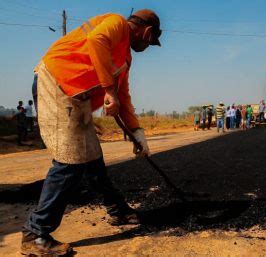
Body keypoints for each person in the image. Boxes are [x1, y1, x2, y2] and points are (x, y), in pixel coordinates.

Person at [21, 9, 161, 255]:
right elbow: (96, 41)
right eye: (151, 41)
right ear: (147, 32)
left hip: (77, 97)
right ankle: (35, 234)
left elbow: (123, 97)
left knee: (93, 160)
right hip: (57, 83)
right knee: (69, 162)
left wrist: (137, 131)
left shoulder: (124, 58)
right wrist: (108, 90)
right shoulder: (116, 23)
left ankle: (118, 211)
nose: (148, 46)